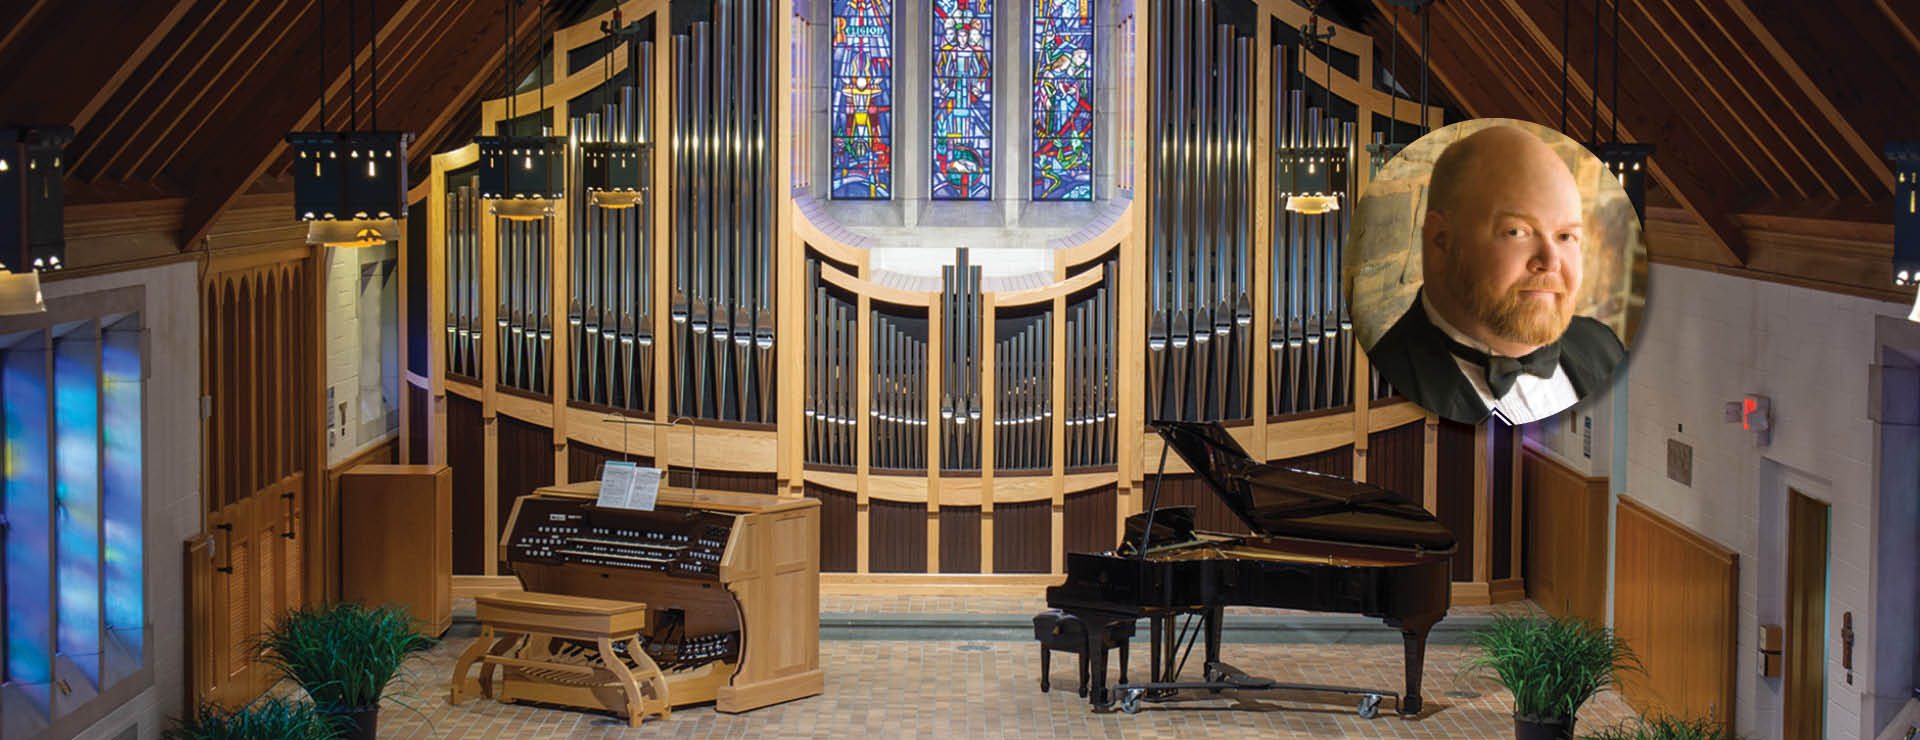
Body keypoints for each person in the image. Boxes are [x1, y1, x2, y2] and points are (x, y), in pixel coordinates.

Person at [1367, 125, 1624, 425]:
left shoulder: (1604, 346)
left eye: (1566, 236)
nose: (1551, 261)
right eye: (1516, 232)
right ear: (1441, 241)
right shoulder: (1382, 388)